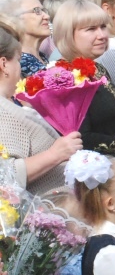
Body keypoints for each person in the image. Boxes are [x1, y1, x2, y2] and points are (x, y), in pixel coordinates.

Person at [0, 20, 81, 193]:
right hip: (42, 214)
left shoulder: (6, 105)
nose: (20, 68)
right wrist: (56, 153)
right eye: (19, 60)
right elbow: (5, 176)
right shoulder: (2, 110)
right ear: (4, 64)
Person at [51, 0, 115, 154]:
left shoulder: (97, 68)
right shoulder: (62, 77)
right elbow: (80, 138)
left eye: (103, 27)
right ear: (68, 33)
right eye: (91, 29)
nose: (102, 35)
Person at [0, 0, 51, 76]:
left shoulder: (42, 56)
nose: (47, 16)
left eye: (43, 10)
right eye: (37, 11)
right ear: (14, 18)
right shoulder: (19, 63)